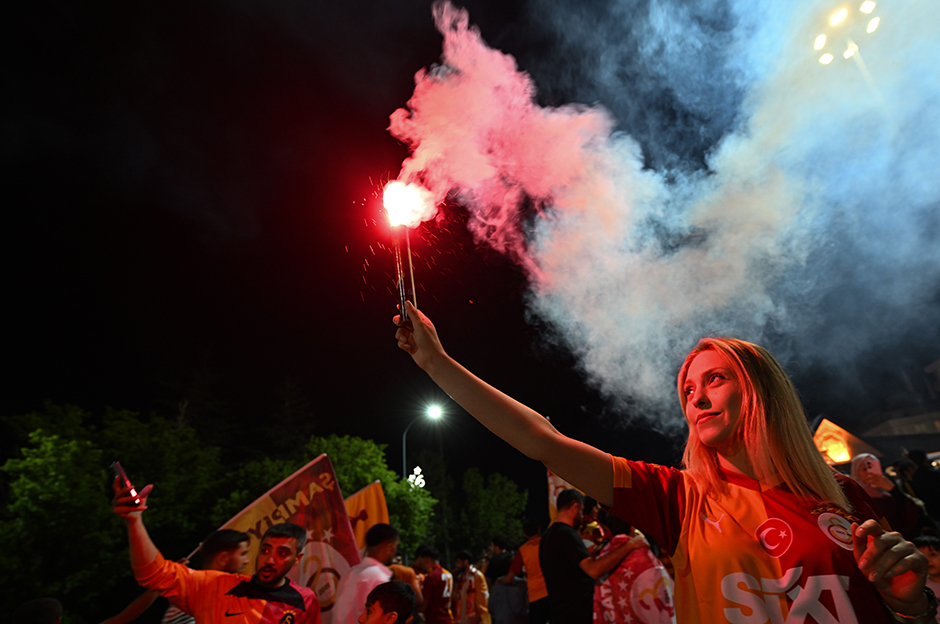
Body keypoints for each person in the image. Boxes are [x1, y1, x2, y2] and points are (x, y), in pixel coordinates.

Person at [394, 301, 936, 624]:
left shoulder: (846, 497)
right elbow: (543, 441)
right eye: (687, 389)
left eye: (714, 379)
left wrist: (913, 604)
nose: (695, 398)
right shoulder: (677, 497)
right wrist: (437, 363)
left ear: (761, 391)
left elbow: (898, 606)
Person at [112, 478, 320, 624]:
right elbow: (153, 574)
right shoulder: (215, 586)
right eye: (266, 550)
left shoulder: (304, 600)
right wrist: (134, 522)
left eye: (282, 553)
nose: (270, 560)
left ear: (296, 559)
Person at [537, 488, 636, 624]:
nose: (582, 516)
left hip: (560, 613)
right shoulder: (566, 534)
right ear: (575, 507)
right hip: (577, 614)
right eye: (582, 510)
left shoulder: (547, 537)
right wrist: (631, 545)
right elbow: (593, 570)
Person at [593, 510, 676, 624]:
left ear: (606, 528)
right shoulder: (643, 553)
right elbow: (662, 593)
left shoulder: (604, 555)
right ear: (632, 527)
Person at [334, 523, 401, 624]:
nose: (395, 550)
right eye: (395, 545)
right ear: (389, 547)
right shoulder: (381, 578)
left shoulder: (348, 574)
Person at [851, 453, 925, 539]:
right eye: (864, 468)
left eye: (873, 466)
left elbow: (912, 514)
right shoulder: (856, 498)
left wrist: (893, 490)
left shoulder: (887, 491)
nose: (869, 472)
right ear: (856, 472)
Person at [502, 520, 547, 624]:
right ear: (539, 530)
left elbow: (509, 577)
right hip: (552, 591)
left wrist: (499, 581)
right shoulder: (547, 542)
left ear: (525, 534)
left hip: (535, 595)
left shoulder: (523, 550)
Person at [413, 545, 454, 624]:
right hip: (446, 616)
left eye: (422, 562)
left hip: (435, 619)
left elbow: (425, 601)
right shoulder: (447, 574)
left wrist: (418, 612)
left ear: (427, 560)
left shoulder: (431, 577)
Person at [452, 550, 491, 624]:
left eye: (459, 562)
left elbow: (483, 599)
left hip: (474, 618)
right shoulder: (460, 577)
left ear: (466, 562)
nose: (457, 566)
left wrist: (481, 618)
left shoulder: (477, 576)